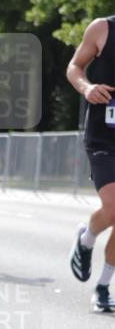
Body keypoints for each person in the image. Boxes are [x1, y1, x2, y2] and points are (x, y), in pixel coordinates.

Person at [67, 16, 115, 312]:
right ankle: (87, 237)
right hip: (103, 137)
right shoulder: (103, 28)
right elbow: (74, 67)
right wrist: (86, 88)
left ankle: (103, 286)